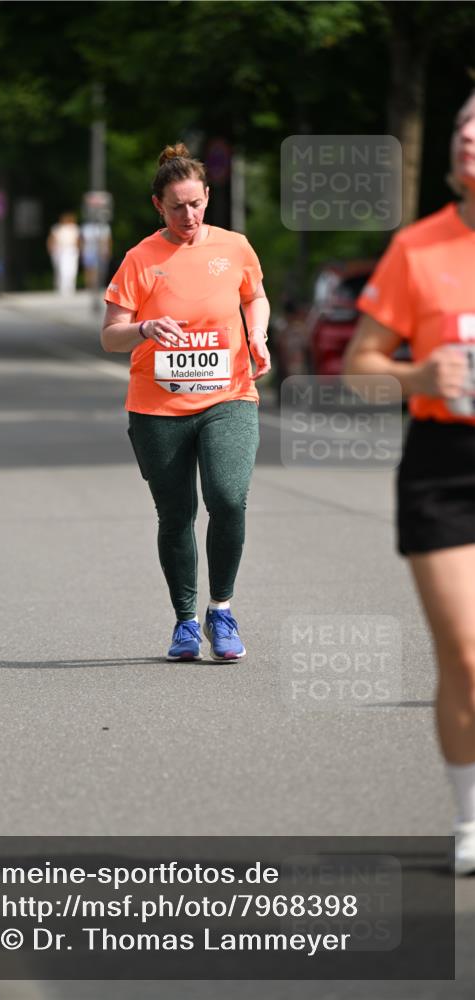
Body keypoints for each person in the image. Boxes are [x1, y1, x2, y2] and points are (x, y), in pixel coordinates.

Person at [343, 91, 475, 875]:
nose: (468, 138)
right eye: (463, 126)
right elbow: (359, 368)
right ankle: (468, 819)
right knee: (464, 653)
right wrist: (417, 371)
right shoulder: (417, 249)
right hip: (445, 467)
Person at [101, 143, 270, 661]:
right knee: (175, 515)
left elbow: (253, 295)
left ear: (207, 197)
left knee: (227, 497)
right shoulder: (140, 259)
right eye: (177, 206)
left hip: (230, 395)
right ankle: (184, 621)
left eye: (196, 204)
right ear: (158, 205)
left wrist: (258, 335)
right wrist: (145, 327)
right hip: (157, 406)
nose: (189, 215)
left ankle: (221, 610)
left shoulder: (235, 246)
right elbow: (110, 336)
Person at [46, 213, 80, 295]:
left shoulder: (74, 228)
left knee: (72, 270)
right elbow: (51, 239)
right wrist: (51, 248)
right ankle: (61, 287)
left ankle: (70, 287)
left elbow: (78, 240)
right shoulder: (57, 228)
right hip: (60, 250)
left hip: (71, 250)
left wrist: (78, 249)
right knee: (61, 269)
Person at [80, 218, 112, 292]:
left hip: (102, 251)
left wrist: (108, 251)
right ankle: (89, 286)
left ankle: (99, 285)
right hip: (88, 251)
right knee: (89, 269)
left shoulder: (105, 227)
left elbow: (108, 240)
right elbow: (82, 240)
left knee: (101, 269)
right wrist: (82, 251)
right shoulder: (86, 227)